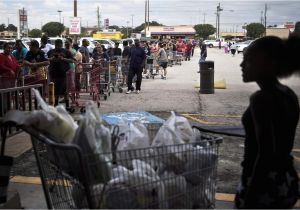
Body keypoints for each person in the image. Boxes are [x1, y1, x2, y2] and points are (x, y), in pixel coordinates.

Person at [235, 36, 300, 209]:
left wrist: (250, 198)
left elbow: (265, 154)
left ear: (269, 63)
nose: (242, 65)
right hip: (286, 178)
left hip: (264, 184)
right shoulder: (288, 94)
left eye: (248, 60)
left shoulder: (261, 99)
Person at [47, 39, 75, 106]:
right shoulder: (50, 52)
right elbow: (46, 60)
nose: (58, 46)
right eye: (57, 45)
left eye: (59, 45)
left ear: (61, 45)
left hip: (64, 74)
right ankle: (55, 104)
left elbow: (72, 60)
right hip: (53, 73)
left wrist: (63, 59)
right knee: (55, 90)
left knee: (65, 90)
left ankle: (67, 105)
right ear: (55, 45)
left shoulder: (66, 51)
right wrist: (51, 59)